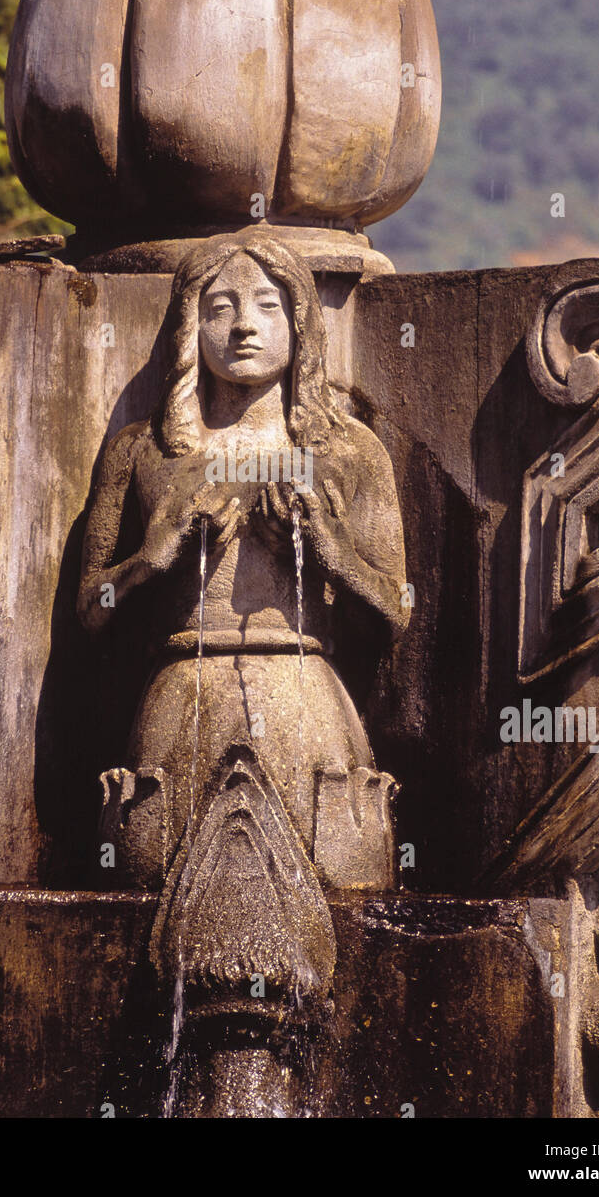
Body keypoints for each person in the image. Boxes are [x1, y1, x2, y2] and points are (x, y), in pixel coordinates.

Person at [78, 229, 408, 884]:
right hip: (181, 694)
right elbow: (91, 610)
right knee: (154, 896)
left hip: (303, 693)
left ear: (300, 322)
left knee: (334, 893)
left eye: (266, 305)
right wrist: (153, 555)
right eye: (218, 307)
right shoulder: (142, 450)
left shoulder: (347, 451)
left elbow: (396, 609)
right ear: (188, 326)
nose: (243, 327)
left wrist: (331, 550)